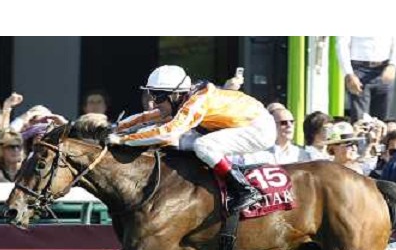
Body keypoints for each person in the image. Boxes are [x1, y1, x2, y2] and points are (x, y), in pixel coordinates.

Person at [106, 65, 276, 214]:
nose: (154, 101)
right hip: (240, 123)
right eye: (151, 94)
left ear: (175, 95)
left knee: (203, 145)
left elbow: (167, 132)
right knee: (180, 144)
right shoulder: (183, 99)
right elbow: (149, 117)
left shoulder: (196, 102)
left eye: (157, 96)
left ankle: (245, 189)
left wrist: (123, 140)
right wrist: (115, 128)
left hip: (259, 129)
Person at [336, 36, 396, 122]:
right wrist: (348, 73)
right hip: (358, 69)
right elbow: (342, 44)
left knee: (382, 121)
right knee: (360, 121)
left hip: (384, 69)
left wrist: (393, 65)